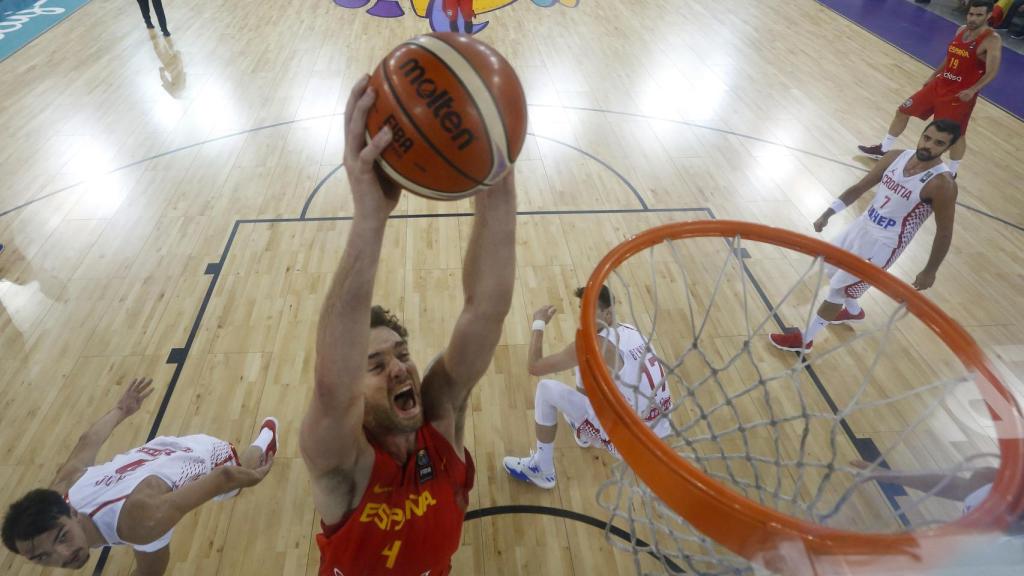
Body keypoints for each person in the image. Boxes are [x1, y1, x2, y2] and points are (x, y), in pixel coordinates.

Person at [301, 76, 517, 575]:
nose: (400, 368)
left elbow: (484, 310)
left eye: (400, 353)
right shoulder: (342, 465)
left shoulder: (441, 417)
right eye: (375, 365)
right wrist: (369, 218)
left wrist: (497, 175)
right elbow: (332, 389)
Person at [2, 378, 277, 573]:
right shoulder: (58, 493)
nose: (61, 556)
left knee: (235, 485)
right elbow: (86, 442)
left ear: (73, 512)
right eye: (41, 557)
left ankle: (265, 439)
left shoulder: (141, 523)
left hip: (204, 454)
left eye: (62, 537)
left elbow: (224, 477)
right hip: (157, 452)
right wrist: (120, 410)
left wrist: (254, 478)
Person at [769, 120, 960, 352]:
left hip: (885, 243)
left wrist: (930, 270)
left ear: (948, 148)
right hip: (861, 226)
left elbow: (944, 232)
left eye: (938, 143)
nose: (928, 145)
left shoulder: (942, 184)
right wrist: (829, 212)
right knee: (830, 270)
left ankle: (805, 340)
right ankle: (852, 310)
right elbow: (860, 187)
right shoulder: (895, 157)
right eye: (927, 137)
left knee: (837, 289)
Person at [503, 286, 674, 489]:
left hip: (630, 443)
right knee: (586, 363)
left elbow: (534, 367)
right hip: (660, 430)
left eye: (589, 311)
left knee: (545, 390)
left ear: (608, 313)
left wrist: (538, 324)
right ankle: (585, 432)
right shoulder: (631, 330)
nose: (582, 316)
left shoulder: (595, 346)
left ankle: (542, 469)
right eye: (580, 308)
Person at [858, 0, 1002, 176]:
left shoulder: (991, 40)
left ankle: (952, 172)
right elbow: (950, 57)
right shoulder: (961, 30)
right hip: (939, 84)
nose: (973, 18)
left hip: (959, 95)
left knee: (955, 134)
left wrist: (972, 90)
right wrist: (934, 75)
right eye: (971, 14)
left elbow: (992, 71)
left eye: (978, 15)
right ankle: (883, 149)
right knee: (903, 110)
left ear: (988, 16)